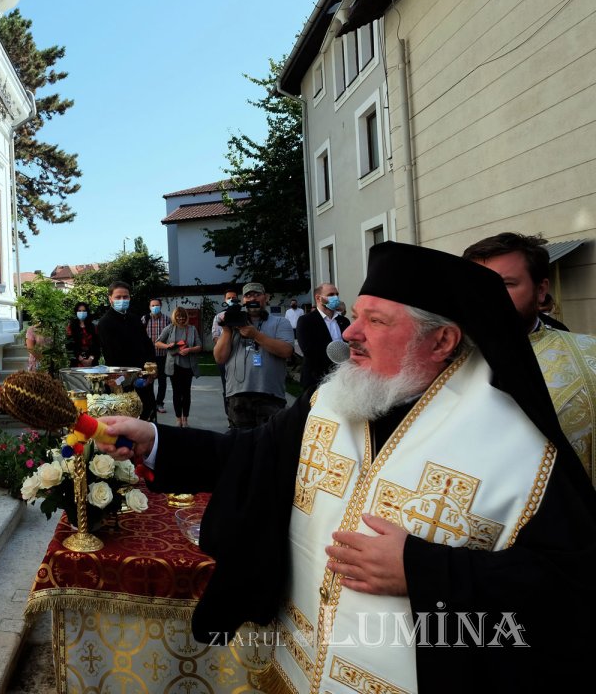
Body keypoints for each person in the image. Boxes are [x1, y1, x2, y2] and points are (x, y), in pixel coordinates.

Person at [99, 242, 596, 692]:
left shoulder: (518, 447)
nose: (351, 333)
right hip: (299, 670)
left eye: (376, 321)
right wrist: (158, 440)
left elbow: (571, 586)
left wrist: (421, 571)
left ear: (442, 341)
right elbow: (247, 455)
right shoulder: (333, 399)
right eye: (355, 315)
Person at [463, 232, 596, 484]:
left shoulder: (589, 356)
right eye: (476, 284)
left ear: (541, 290)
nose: (487, 296)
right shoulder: (440, 357)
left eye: (506, 284)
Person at [213, 282, 294, 428]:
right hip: (238, 395)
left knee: (270, 445)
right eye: (248, 296)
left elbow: (286, 351)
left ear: (266, 298)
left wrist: (256, 335)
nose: (253, 299)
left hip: (270, 395)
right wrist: (226, 330)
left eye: (257, 295)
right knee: (241, 445)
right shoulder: (234, 323)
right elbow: (219, 358)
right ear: (243, 300)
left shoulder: (281, 322)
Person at [96, 280, 156, 420]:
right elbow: (112, 355)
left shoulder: (135, 319)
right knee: (126, 418)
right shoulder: (105, 323)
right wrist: (132, 375)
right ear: (110, 299)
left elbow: (147, 344)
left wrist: (151, 369)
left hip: (143, 376)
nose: (122, 300)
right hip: (122, 378)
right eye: (118, 297)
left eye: (125, 297)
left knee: (147, 415)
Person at [294, 282, 351, 392]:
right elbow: (309, 350)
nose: (335, 297)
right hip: (316, 380)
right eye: (330, 294)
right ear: (318, 298)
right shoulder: (306, 321)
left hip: (342, 378)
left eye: (336, 294)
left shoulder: (343, 321)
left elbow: (350, 346)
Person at [155, 307, 202, 427]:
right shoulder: (170, 328)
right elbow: (157, 342)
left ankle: (185, 419)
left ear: (186, 317)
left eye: (183, 317)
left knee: (186, 393)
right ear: (174, 317)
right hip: (174, 366)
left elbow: (199, 346)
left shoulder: (192, 329)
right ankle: (178, 419)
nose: (181, 319)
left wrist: (189, 350)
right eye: (178, 317)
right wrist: (168, 346)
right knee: (176, 393)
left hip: (188, 366)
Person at [210, 289, 239, 413]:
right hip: (224, 357)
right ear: (225, 300)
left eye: (234, 297)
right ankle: (229, 414)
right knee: (226, 387)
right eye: (229, 298)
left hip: (240, 356)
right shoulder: (219, 316)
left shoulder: (243, 314)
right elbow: (215, 336)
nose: (231, 300)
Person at [143, 297, 170, 412]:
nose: (155, 307)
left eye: (157, 305)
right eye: (152, 305)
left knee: (162, 381)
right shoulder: (145, 319)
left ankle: (159, 403)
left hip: (163, 355)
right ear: (149, 307)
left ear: (160, 306)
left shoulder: (167, 319)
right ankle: (149, 403)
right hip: (149, 357)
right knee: (148, 380)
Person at [66, 301, 100, 367]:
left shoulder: (93, 327)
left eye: (84, 311)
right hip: (76, 363)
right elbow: (69, 346)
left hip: (92, 362)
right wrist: (81, 360)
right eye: (79, 311)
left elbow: (97, 345)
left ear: (87, 312)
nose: (82, 313)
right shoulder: (71, 327)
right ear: (76, 312)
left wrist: (90, 359)